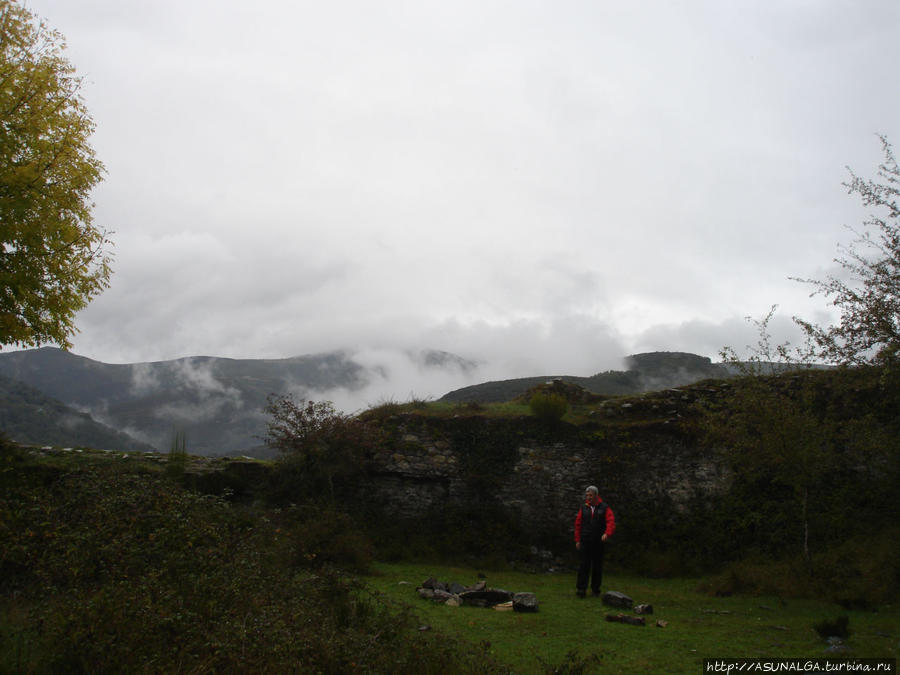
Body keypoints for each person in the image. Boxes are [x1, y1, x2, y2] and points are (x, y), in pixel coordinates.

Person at [574, 485, 615, 597]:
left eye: (590, 495)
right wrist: (577, 540)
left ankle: (595, 590)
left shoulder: (604, 508)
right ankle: (581, 589)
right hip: (585, 541)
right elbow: (578, 524)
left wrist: (607, 533)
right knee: (583, 565)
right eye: (587, 495)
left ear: (596, 495)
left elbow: (610, 521)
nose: (588, 497)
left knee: (597, 567)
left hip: (598, 542)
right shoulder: (583, 508)